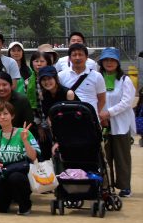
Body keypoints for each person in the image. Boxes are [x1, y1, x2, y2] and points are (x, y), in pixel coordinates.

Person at [0, 101, 40, 215]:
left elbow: (33, 156)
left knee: (15, 177)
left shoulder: (23, 132)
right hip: (2, 175)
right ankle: (5, 204)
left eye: (5, 113)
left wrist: (25, 140)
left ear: (12, 116)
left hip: (21, 174)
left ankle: (25, 205)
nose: (2, 117)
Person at [97, 48, 134, 196]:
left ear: (118, 62)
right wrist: (101, 116)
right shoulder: (98, 78)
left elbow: (127, 101)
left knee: (122, 155)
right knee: (105, 155)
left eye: (112, 60)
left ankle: (124, 186)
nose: (109, 63)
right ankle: (107, 186)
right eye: (106, 60)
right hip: (102, 122)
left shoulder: (125, 80)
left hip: (120, 123)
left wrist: (109, 113)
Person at [57, 42, 106, 117]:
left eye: (80, 54)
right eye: (74, 55)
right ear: (69, 58)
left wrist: (94, 113)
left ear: (86, 57)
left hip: (90, 118)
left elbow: (102, 99)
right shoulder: (61, 76)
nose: (77, 58)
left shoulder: (97, 76)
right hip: (68, 116)